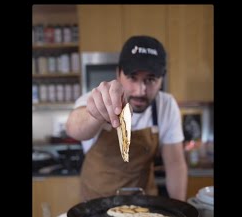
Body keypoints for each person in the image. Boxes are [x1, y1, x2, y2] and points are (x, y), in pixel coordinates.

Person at [66, 35, 187, 201]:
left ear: (161, 79)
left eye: (150, 79)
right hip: (96, 207)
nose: (140, 91)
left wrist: (180, 209)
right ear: (118, 73)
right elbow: (74, 128)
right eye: (132, 78)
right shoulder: (97, 98)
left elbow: (175, 164)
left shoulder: (166, 105)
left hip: (145, 206)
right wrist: (96, 113)